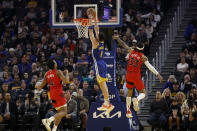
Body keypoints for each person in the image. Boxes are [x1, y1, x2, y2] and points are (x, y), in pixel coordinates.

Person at [113, 35, 163, 118]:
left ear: (136, 47)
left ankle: (128, 111)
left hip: (128, 74)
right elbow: (150, 67)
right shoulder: (143, 57)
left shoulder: (131, 51)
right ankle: (136, 99)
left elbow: (123, 44)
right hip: (136, 75)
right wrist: (158, 74)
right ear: (142, 49)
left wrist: (117, 38)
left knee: (129, 94)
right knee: (143, 93)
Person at [88, 13, 114, 114]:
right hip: (103, 63)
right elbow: (97, 29)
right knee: (103, 84)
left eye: (97, 35)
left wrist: (90, 22)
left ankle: (107, 103)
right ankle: (107, 102)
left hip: (98, 64)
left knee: (102, 84)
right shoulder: (102, 41)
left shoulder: (95, 42)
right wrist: (94, 20)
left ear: (98, 37)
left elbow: (91, 33)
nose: (96, 35)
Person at [35, 59, 69, 131]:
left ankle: (54, 129)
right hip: (59, 93)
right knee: (64, 112)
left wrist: (36, 87)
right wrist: (67, 73)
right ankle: (49, 120)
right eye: (55, 62)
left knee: (59, 113)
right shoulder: (58, 71)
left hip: (52, 94)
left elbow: (40, 86)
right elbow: (66, 81)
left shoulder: (47, 74)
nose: (56, 62)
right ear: (54, 64)